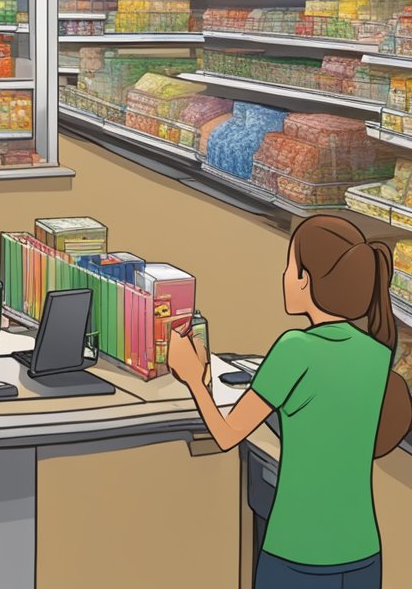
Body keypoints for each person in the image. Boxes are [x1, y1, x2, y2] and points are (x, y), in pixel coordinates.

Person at [168, 215, 395, 588]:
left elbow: (227, 435)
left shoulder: (295, 349)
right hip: (362, 553)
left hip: (298, 552)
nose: (285, 276)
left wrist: (193, 377)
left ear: (306, 280)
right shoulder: (377, 352)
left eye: (290, 266)